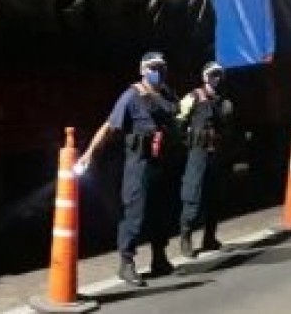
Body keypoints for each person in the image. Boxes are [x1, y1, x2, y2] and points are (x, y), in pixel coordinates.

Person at [74, 51, 179, 287]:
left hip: (160, 161)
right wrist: (89, 154)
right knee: (134, 213)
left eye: (161, 68)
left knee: (161, 211)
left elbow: (176, 119)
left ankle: (159, 258)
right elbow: (109, 127)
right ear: (142, 70)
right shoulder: (131, 96)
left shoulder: (167, 95)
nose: (157, 72)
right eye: (153, 68)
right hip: (139, 164)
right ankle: (126, 263)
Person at [177, 61, 231, 257]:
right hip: (197, 153)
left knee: (215, 197)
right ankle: (185, 238)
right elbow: (178, 122)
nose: (215, 78)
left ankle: (210, 238)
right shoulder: (193, 97)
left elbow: (225, 129)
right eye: (212, 75)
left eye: (218, 75)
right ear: (204, 77)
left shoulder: (222, 102)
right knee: (193, 196)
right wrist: (187, 142)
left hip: (215, 154)